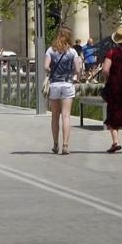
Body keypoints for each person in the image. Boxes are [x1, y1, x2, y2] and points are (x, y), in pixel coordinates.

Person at [44, 25, 81, 155]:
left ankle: (55, 145)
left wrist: (52, 70)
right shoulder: (72, 52)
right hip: (67, 84)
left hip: (54, 85)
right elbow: (77, 69)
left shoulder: (50, 50)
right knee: (66, 116)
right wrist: (72, 74)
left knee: (55, 116)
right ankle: (65, 145)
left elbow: (46, 67)